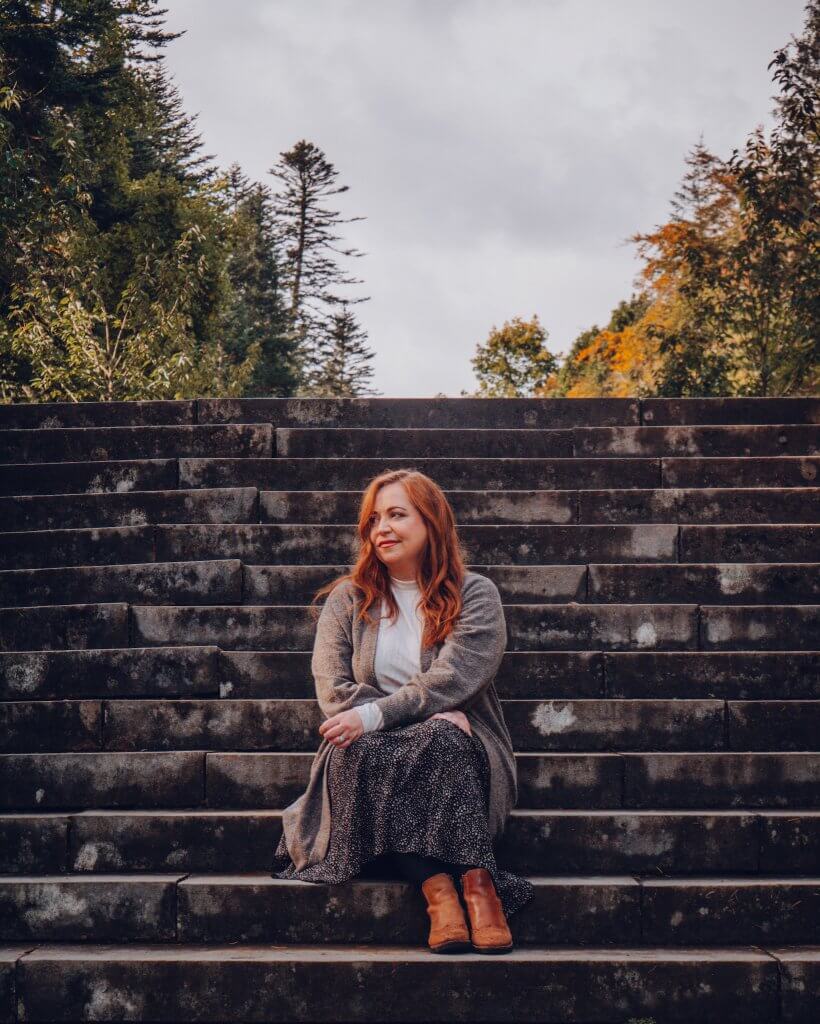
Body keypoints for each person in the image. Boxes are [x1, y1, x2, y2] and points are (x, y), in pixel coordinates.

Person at [271, 468, 534, 953]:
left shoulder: (475, 594)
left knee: (445, 739)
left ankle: (477, 887)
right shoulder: (347, 599)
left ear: (432, 522)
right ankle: (442, 891)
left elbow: (453, 678)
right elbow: (334, 691)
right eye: (374, 519)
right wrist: (406, 718)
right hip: (374, 745)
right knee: (357, 747)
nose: (382, 529)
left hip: (454, 745)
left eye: (396, 514)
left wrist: (383, 716)